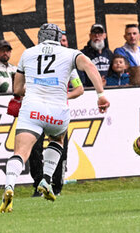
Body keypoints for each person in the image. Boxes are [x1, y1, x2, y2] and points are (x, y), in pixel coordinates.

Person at [0, 23, 110, 213]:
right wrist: (101, 95)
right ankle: (46, 179)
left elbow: (17, 89)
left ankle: (9, 186)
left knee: (21, 153)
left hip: (32, 108)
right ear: (59, 38)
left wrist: (34, 87)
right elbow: (90, 67)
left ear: (40, 38)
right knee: (58, 139)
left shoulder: (28, 53)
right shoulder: (70, 53)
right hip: (57, 110)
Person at [28, 31, 84, 197]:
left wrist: (62, 96)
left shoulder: (68, 63)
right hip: (37, 111)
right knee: (35, 149)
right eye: (60, 40)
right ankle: (39, 185)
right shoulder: (35, 61)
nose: (62, 43)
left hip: (58, 112)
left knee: (60, 148)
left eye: (64, 40)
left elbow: (79, 88)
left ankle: (56, 186)